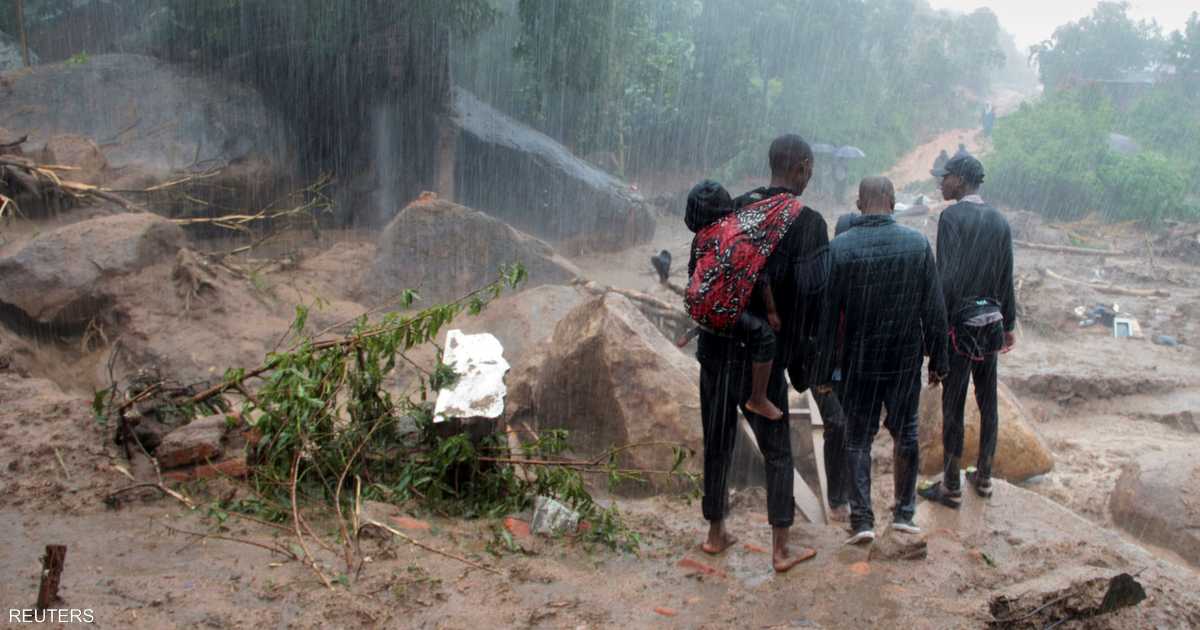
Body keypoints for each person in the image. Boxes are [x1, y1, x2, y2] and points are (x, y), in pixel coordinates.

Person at [694, 134, 829, 572]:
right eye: (810, 170)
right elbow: (812, 301)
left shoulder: (736, 205)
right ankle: (780, 548)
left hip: (716, 343)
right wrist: (806, 365)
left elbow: (711, 264)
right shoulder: (807, 222)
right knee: (777, 449)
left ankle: (715, 535)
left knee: (717, 442)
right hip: (760, 360)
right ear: (802, 167)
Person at [814, 176, 948, 544]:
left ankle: (862, 521)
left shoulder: (840, 248)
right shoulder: (917, 244)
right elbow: (934, 310)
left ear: (859, 204)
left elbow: (828, 318)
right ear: (892, 201)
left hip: (859, 360)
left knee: (858, 439)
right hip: (904, 359)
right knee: (905, 433)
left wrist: (823, 370)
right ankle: (904, 514)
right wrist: (939, 359)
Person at [920, 154, 1016, 507]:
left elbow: (947, 278)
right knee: (988, 400)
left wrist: (936, 331)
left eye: (944, 178)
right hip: (991, 322)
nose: (940, 184)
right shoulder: (999, 220)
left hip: (959, 326)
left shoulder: (951, 217)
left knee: (954, 403)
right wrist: (1010, 324)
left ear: (959, 180)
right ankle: (985, 476)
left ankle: (950, 483)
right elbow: (1006, 276)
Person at [682, 180, 785, 421]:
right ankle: (758, 398)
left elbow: (692, 272)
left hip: (699, 308)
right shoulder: (739, 233)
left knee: (717, 420)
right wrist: (771, 310)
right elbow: (760, 274)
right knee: (766, 337)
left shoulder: (700, 237)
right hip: (725, 314)